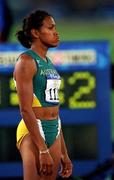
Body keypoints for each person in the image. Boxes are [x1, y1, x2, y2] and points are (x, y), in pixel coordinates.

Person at [13, 9, 73, 180]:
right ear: (36, 33)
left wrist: (64, 153)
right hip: (33, 131)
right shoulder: (26, 61)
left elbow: (55, 111)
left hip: (54, 130)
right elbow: (25, 109)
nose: (56, 32)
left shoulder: (49, 63)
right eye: (50, 28)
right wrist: (42, 149)